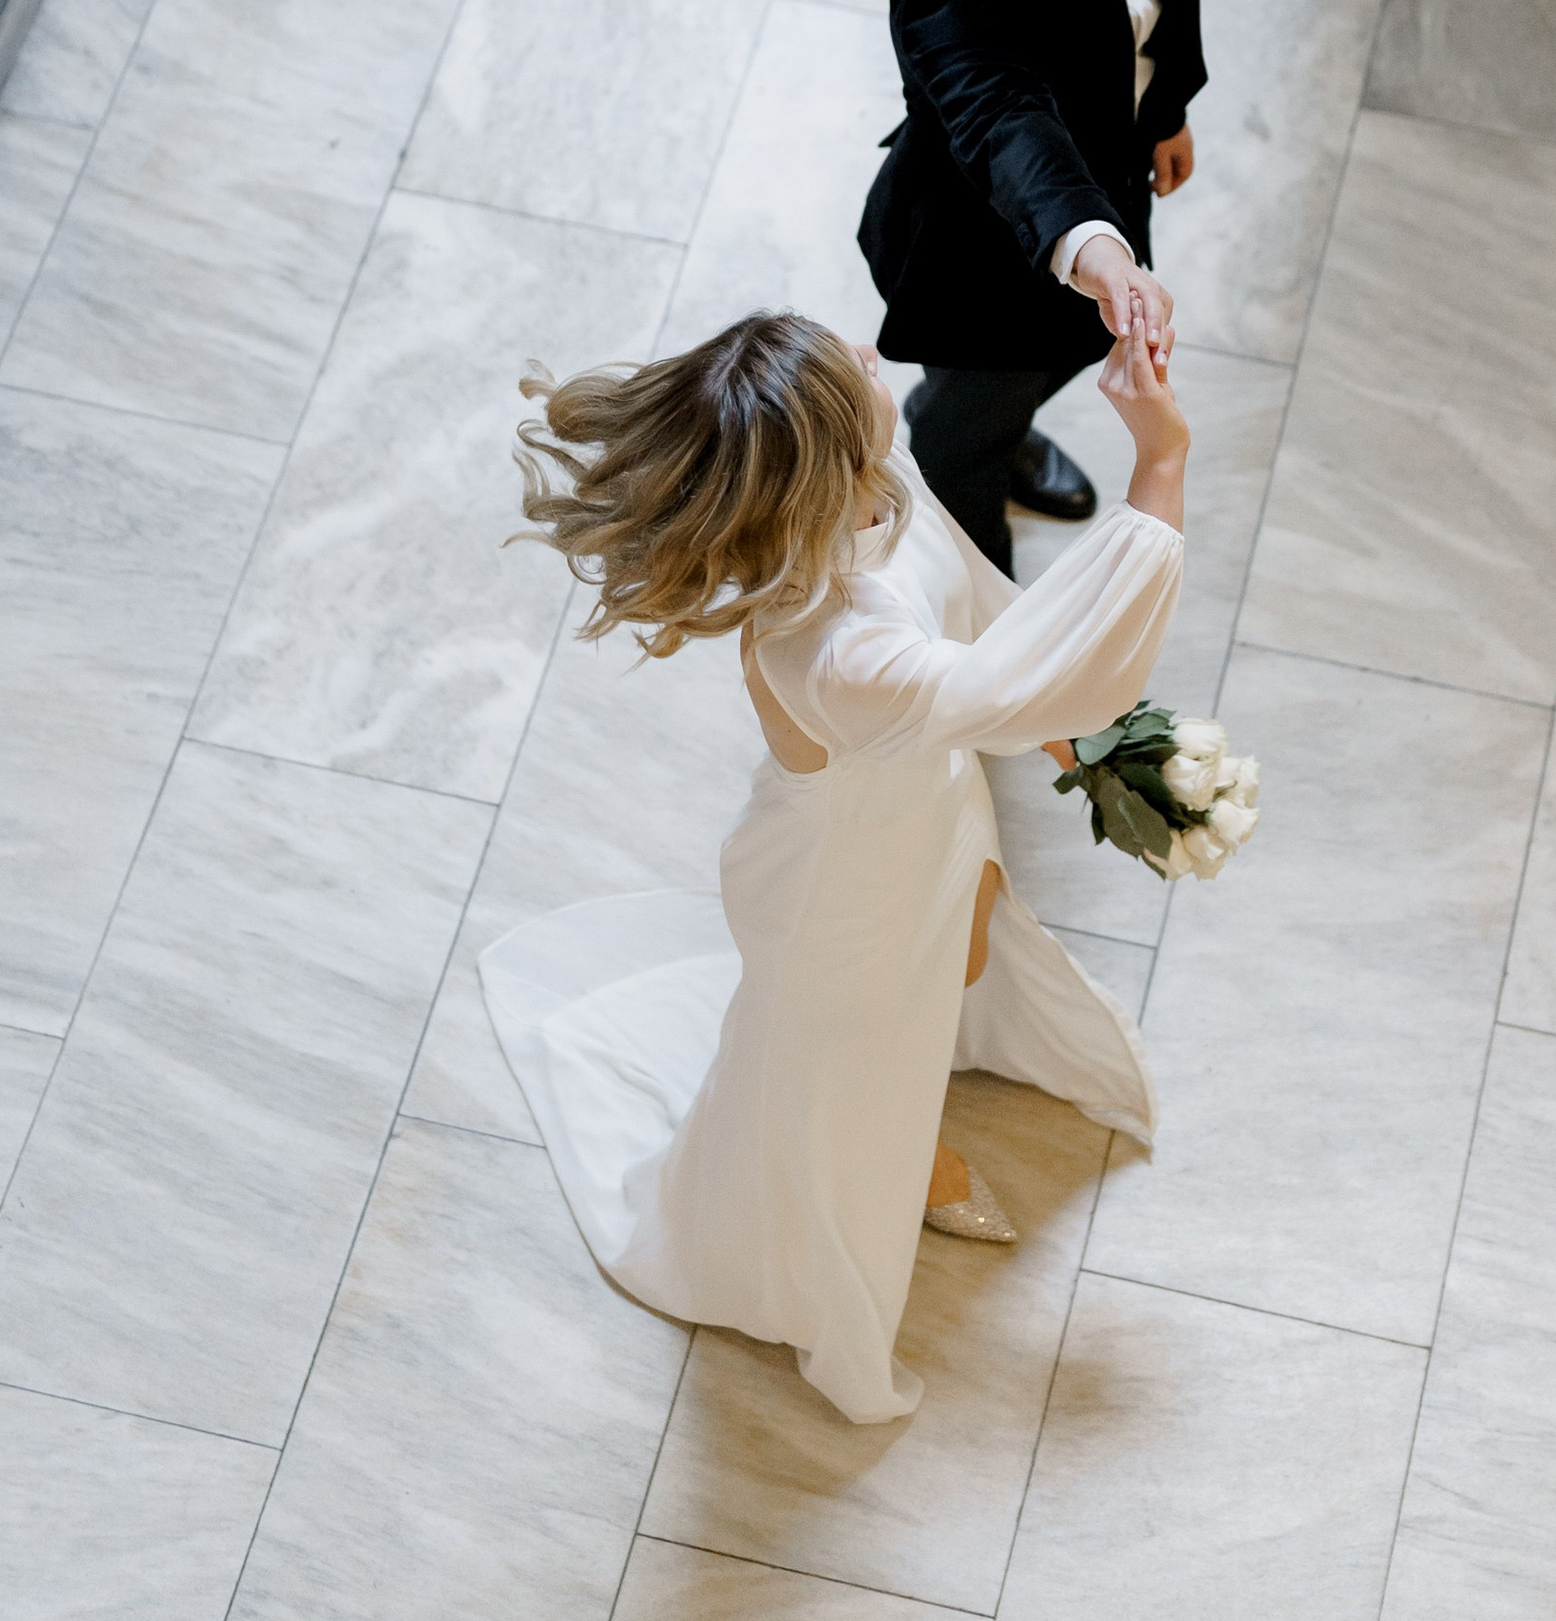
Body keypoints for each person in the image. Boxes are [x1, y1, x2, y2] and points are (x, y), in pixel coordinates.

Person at [482, 306, 1190, 1425]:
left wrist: (1085, 755)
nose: (873, 361)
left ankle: (911, 1115)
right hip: (845, 885)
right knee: (854, 1058)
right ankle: (891, 1168)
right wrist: (1161, 459)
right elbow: (1035, 676)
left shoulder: (865, 493)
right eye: (860, 383)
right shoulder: (844, 649)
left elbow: (989, 642)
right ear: (837, 472)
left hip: (918, 809)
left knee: (963, 944)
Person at [860, 0, 1206, 570]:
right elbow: (1001, 113)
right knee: (961, 425)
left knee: (1029, 388)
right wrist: (1092, 244)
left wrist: (1165, 112)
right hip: (980, 261)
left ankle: (1009, 443)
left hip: (1109, 190)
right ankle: (975, 566)